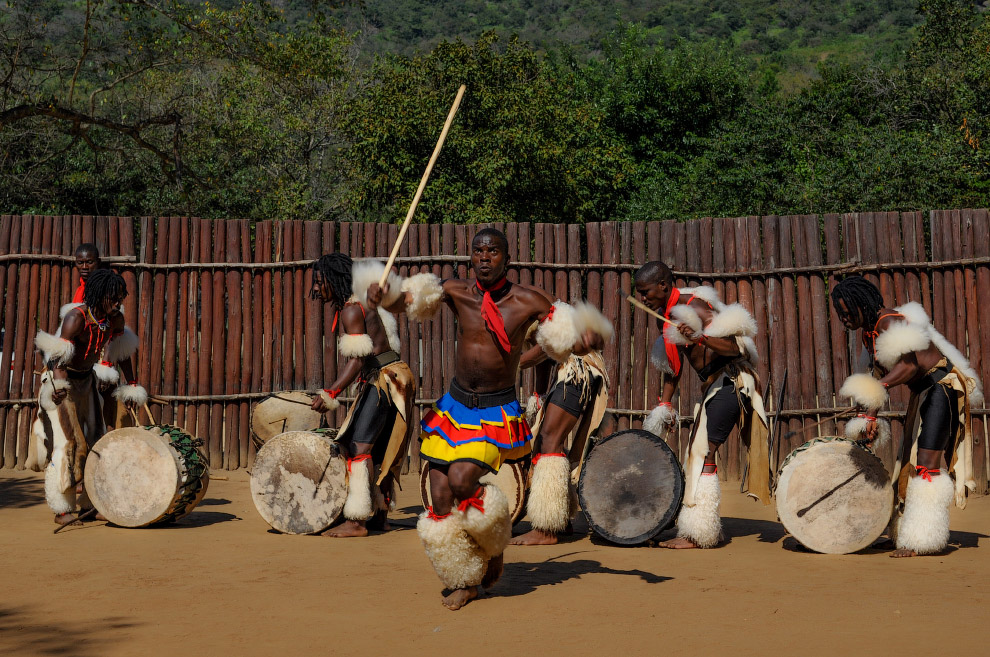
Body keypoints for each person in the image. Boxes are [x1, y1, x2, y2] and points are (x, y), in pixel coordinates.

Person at [369, 227, 608, 610]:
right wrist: (385, 297)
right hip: (456, 405)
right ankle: (463, 578)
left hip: (496, 410)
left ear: (506, 259)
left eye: (492, 251)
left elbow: (570, 341)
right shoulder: (456, 291)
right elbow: (407, 301)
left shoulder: (529, 300)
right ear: (471, 257)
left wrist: (590, 338)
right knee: (440, 495)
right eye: (478, 251)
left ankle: (494, 545)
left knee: (463, 480)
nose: (484, 257)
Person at [832, 276, 982, 557]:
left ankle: (922, 540)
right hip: (923, 393)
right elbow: (879, 376)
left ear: (862, 304)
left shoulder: (889, 321)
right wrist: (870, 416)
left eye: (848, 311)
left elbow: (909, 367)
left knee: (926, 462)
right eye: (840, 313)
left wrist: (877, 387)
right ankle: (902, 533)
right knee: (906, 460)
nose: (844, 318)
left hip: (941, 389)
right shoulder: (870, 333)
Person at [635, 261, 770, 549]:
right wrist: (665, 403)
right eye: (639, 293)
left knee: (702, 451)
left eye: (645, 292)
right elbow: (674, 365)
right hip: (714, 385)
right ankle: (699, 528)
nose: (642, 298)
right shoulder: (665, 316)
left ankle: (699, 534)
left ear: (663, 285)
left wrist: (701, 337)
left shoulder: (694, 307)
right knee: (697, 451)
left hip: (733, 381)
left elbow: (735, 348)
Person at [309, 253, 416, 537]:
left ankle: (356, 521)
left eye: (320, 281)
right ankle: (381, 516)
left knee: (359, 447)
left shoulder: (351, 310)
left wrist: (331, 392)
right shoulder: (362, 303)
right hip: (396, 376)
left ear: (335, 280)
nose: (316, 288)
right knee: (379, 448)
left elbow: (358, 359)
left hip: (384, 380)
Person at [32, 268, 145, 525]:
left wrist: (132, 384)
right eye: (113, 297)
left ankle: (91, 503)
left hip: (87, 381)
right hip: (63, 383)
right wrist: (59, 387)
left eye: (121, 297)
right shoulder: (76, 318)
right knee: (69, 443)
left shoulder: (114, 320)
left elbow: (122, 353)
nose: (118, 303)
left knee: (96, 441)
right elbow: (57, 358)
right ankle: (62, 508)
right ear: (99, 295)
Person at [510, 339, 612, 546]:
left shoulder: (546, 316)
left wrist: (507, 365)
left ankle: (546, 529)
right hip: (570, 369)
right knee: (544, 441)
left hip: (575, 370)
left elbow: (546, 346)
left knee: (550, 441)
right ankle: (561, 519)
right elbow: (544, 354)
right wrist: (539, 393)